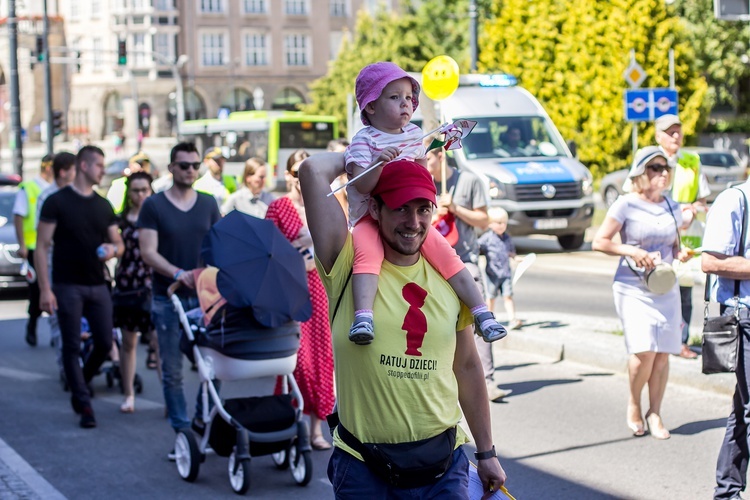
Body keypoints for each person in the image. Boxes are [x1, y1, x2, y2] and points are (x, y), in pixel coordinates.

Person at [298, 153, 506, 497]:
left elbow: (468, 367)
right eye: (400, 208)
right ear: (375, 209)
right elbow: (311, 170)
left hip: (444, 467)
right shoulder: (346, 262)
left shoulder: (449, 278)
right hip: (364, 467)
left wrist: (486, 453)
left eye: (423, 209)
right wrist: (377, 146)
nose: (413, 221)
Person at [344, 61, 505, 346]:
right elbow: (361, 185)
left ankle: (483, 313)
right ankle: (364, 316)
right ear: (370, 106)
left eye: (408, 97)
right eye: (394, 97)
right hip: (371, 217)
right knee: (366, 257)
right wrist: (379, 164)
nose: (405, 103)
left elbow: (422, 174)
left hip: (408, 214)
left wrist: (428, 198)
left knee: (447, 256)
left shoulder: (414, 136)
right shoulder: (363, 141)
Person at [592, 146, 690, 439]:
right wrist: (631, 250)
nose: (662, 173)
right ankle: (634, 403)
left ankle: (655, 411)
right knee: (643, 351)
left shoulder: (672, 206)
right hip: (632, 286)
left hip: (665, 285)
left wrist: (680, 252)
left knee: (662, 355)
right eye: (655, 168)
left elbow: (674, 245)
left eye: (665, 169)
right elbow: (600, 241)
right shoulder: (625, 204)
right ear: (640, 173)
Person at [36, 145, 124, 429]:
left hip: (98, 284)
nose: (103, 170)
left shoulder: (102, 205)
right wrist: (45, 289)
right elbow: (41, 247)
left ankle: (81, 381)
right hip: (66, 284)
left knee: (103, 342)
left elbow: (119, 244)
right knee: (71, 345)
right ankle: (84, 403)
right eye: (99, 165)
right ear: (84, 166)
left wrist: (112, 249)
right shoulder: (56, 202)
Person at [138, 142, 220, 445]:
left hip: (204, 297)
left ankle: (200, 419)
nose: (190, 170)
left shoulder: (209, 203)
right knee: (171, 370)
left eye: (195, 165)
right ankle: (182, 431)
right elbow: (148, 252)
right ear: (171, 167)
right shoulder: (154, 205)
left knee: (215, 365)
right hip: (167, 296)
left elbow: (218, 245)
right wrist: (176, 273)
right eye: (184, 165)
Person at [425, 147, 512, 402]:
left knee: (478, 317)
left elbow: (484, 221)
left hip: (464, 261)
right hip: (429, 262)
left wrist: (456, 208)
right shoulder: (422, 179)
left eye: (428, 158)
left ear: (441, 155)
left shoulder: (469, 181)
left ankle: (488, 381)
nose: (424, 162)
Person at [265, 156, 335, 451]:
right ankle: (291, 421)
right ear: (288, 174)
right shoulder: (279, 207)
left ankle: (316, 427)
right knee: (295, 361)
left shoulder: (324, 203)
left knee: (322, 359)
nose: (301, 177)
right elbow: (266, 249)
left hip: (320, 289)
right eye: (296, 172)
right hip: (290, 290)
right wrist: (295, 248)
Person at [702, 178, 750, 499]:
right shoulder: (735, 200)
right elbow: (710, 261)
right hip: (745, 316)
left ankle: (728, 491)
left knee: (744, 409)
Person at [655, 114, 709, 360]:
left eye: (678, 131)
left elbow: (702, 198)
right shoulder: (649, 159)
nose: (676, 136)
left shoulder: (691, 160)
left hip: (685, 240)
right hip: (656, 238)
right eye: (670, 132)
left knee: (684, 294)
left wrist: (694, 209)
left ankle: (681, 342)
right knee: (658, 290)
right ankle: (658, 340)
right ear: (658, 136)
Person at [113, 171, 156, 413]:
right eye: (136, 190)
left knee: (158, 343)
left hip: (152, 285)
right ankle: (128, 394)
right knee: (128, 342)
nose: (140, 195)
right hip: (128, 286)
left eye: (144, 190)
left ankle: (169, 401)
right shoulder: (120, 221)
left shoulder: (157, 217)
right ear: (129, 193)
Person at [36, 152, 76, 354]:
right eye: (74, 169)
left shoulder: (79, 194)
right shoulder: (48, 198)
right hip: (55, 264)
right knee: (59, 318)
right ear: (63, 172)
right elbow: (43, 241)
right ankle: (67, 367)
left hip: (79, 266)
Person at [13, 154, 53, 346]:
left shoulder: (59, 189)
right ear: (48, 168)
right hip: (34, 248)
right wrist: (21, 244)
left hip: (54, 248)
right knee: (37, 290)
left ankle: (57, 331)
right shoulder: (29, 188)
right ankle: (32, 324)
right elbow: (19, 216)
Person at [479, 207, 523, 331]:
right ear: (490, 224)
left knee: (508, 296)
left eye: (504, 223)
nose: (502, 225)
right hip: (492, 274)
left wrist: (516, 258)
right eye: (499, 223)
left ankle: (512, 318)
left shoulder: (507, 238)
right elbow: (477, 246)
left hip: (506, 273)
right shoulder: (487, 238)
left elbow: (511, 252)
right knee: (490, 297)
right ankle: (488, 320)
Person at [328, 138, 351, 217]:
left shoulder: (351, 176)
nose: (345, 158)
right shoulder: (327, 180)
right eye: (341, 153)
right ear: (330, 154)